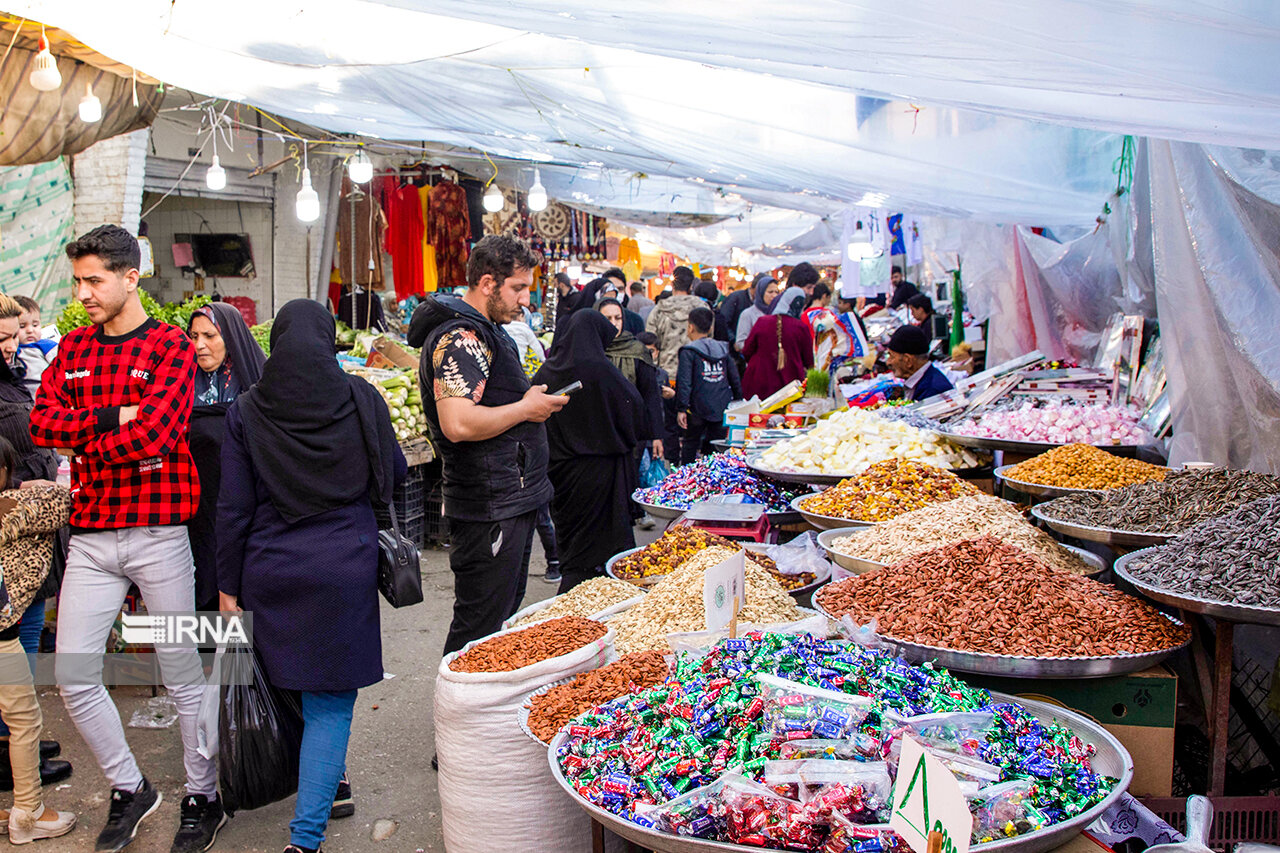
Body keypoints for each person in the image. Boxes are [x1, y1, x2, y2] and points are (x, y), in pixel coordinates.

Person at [29, 225, 222, 853]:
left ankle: (204, 793)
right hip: (89, 538)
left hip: (159, 534)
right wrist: (118, 416)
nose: (83, 292)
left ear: (130, 277)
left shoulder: (170, 345)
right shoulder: (74, 348)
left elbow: (159, 436)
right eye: (78, 280)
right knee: (75, 674)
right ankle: (129, 786)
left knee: (181, 672)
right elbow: (40, 423)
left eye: (95, 279)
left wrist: (86, 435)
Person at [217, 300, 405, 853]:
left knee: (290, 681)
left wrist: (227, 587)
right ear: (329, 342)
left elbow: (232, 510)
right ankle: (305, 839)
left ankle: (328, 783)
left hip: (271, 569)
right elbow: (392, 472)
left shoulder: (247, 411)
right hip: (343, 564)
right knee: (329, 699)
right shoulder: (362, 397)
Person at [407, 234, 567, 654]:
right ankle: (455, 716)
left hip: (507, 499)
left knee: (497, 622)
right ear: (487, 283)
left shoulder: (487, 331)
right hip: (488, 505)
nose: (525, 300)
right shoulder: (462, 338)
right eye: (518, 288)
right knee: (477, 628)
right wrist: (526, 409)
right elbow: (458, 424)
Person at [0, 294, 73, 791]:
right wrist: (18, 487)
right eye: (4, 337)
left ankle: (17, 738)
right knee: (11, 642)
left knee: (25, 631)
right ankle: (11, 748)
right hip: (11, 524)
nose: (13, 345)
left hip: (31, 526)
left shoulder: (12, 376)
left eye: (15, 334)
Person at [533, 312, 645, 592]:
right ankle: (599, 602)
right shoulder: (601, 369)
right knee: (604, 546)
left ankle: (572, 599)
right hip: (602, 475)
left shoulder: (547, 370)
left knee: (572, 543)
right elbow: (634, 409)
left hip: (561, 474)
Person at [0, 442, 77, 843]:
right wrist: (35, 486)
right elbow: (64, 502)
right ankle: (28, 814)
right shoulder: (13, 508)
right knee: (24, 724)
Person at [185, 303, 266, 618]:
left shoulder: (255, 383)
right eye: (193, 336)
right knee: (204, 582)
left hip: (243, 507)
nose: (200, 345)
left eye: (209, 335)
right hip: (198, 511)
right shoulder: (184, 384)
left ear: (230, 336)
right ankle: (206, 665)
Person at [502, 317, 561, 584]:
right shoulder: (519, 333)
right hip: (524, 454)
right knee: (538, 514)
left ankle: (553, 561)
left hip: (522, 455)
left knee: (537, 513)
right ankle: (553, 562)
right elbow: (539, 355)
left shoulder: (499, 336)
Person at [676, 307, 740, 463]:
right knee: (716, 448)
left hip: (696, 408)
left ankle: (687, 479)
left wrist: (681, 408)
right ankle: (713, 479)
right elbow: (734, 378)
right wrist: (738, 401)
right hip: (720, 405)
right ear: (711, 327)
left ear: (690, 327)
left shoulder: (689, 351)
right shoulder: (723, 349)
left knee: (690, 444)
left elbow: (684, 382)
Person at [741, 285, 814, 401]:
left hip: (759, 381)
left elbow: (747, 351)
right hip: (790, 385)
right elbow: (809, 361)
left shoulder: (762, 322)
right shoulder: (801, 328)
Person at [644, 266, 703, 375]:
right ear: (691, 286)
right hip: (696, 371)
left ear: (672, 285)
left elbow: (650, 343)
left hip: (667, 372)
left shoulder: (659, 310)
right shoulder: (702, 309)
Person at [884, 325, 954, 401]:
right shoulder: (923, 382)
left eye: (892, 356)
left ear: (908, 360)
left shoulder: (932, 392)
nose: (888, 362)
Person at [14, 296, 54, 400]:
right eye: (22, 326)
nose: (30, 330)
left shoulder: (45, 346)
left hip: (48, 393)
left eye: (35, 325)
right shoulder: (12, 350)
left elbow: (63, 366)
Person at [735, 275, 779, 353]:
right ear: (761, 292)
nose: (774, 296)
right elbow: (740, 343)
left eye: (776, 292)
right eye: (770, 292)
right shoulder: (748, 314)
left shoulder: (778, 313)